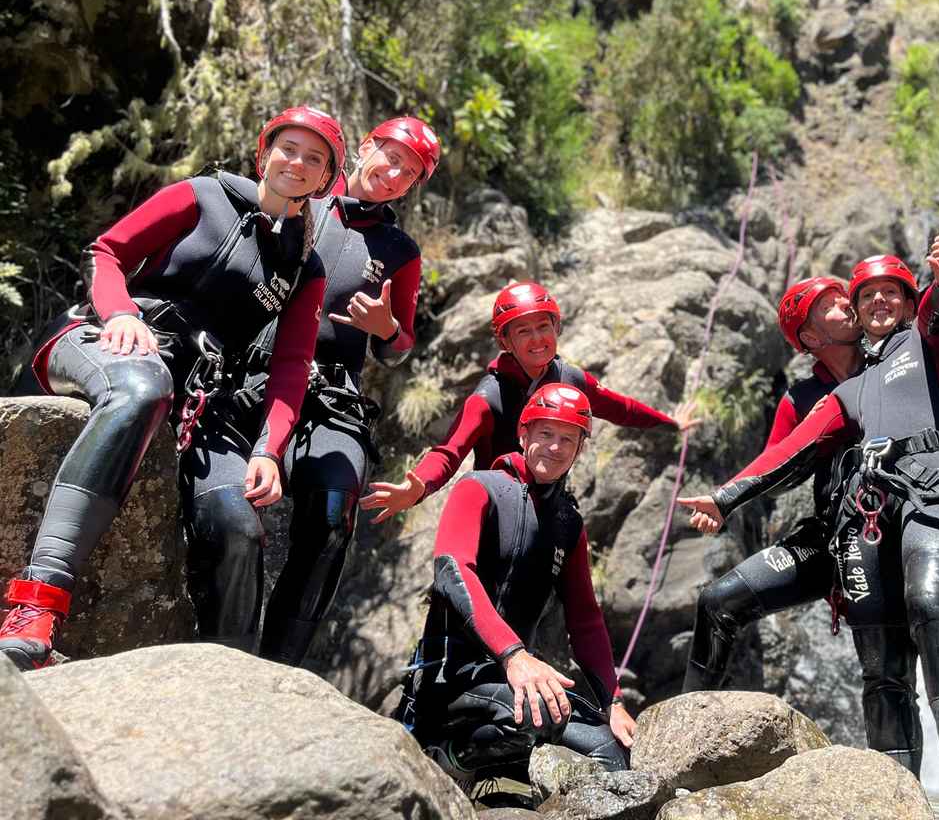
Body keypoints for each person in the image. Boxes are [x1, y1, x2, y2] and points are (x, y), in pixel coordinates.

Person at [680, 253, 939, 820]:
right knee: (881, 664)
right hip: (847, 529)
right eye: (853, 299)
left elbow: (938, 318)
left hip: (930, 503)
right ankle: (896, 797)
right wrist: (723, 498)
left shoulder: (917, 344)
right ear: (810, 334)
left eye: (878, 295)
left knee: (931, 601)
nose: (857, 304)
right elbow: (784, 455)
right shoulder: (823, 396)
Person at [0, 107, 339, 668]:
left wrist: (269, 448)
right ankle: (37, 602)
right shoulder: (202, 195)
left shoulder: (305, 266)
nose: (297, 163)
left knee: (238, 526)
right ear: (265, 152)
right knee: (141, 388)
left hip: (198, 391)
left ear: (326, 178)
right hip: (105, 340)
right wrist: (121, 315)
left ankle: (227, 683)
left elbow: (293, 361)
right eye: (289, 148)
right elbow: (108, 252)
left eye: (315, 158)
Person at [243, 116, 439, 665]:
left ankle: (277, 664)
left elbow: (399, 347)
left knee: (333, 517)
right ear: (368, 147)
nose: (396, 175)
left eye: (411, 172)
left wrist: (386, 330)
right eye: (392, 157)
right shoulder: (299, 195)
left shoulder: (400, 250)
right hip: (254, 367)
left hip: (334, 389)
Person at [396, 383, 636, 792]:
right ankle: (450, 759)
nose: (555, 448)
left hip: (513, 685)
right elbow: (454, 573)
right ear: (523, 434)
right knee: (546, 715)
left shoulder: (567, 523)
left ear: (579, 450)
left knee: (613, 750)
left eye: (567, 439)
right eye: (545, 434)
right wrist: (515, 656)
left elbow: (585, 620)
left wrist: (612, 701)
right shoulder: (480, 488)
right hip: (452, 676)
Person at [361, 281, 696, 523]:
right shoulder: (488, 398)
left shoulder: (570, 379)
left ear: (557, 328)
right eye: (522, 331)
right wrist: (416, 487)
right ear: (505, 340)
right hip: (498, 511)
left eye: (543, 326)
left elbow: (619, 408)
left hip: (550, 504)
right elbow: (449, 451)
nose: (537, 339)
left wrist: (671, 424)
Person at [682, 276, 863, 691]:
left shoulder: (891, 363)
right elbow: (775, 476)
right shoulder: (799, 399)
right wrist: (816, 431)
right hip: (830, 533)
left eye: (845, 295)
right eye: (833, 303)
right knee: (717, 601)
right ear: (811, 336)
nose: (850, 304)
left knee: (885, 665)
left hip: (893, 526)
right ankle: (683, 725)